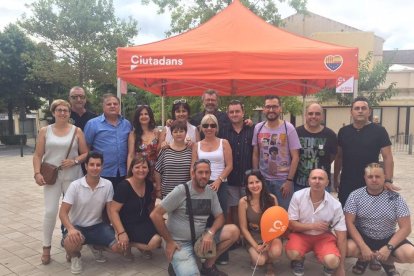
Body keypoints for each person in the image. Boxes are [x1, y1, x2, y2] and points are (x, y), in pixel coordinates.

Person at [150, 159, 240, 276]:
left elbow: (220, 217)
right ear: (193, 173)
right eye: (200, 172)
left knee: (233, 231)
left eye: (207, 172)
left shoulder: (211, 192)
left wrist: (210, 233)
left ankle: (208, 267)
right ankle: (177, 264)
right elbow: (155, 215)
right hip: (179, 242)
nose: (204, 176)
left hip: (200, 239)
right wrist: (169, 242)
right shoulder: (181, 190)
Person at [33, 99, 88, 265]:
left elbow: (85, 153)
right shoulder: (45, 131)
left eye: (65, 110)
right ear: (53, 112)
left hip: (73, 176)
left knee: (72, 213)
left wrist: (75, 161)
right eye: (59, 110)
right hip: (52, 177)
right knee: (50, 211)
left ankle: (71, 246)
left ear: (69, 113)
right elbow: (37, 155)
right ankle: (46, 247)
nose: (63, 113)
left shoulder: (76, 131)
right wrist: (36, 173)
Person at [344, 163, 414, 276]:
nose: (374, 179)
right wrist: (363, 246)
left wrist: (389, 247)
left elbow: (406, 228)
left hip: (388, 236)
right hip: (364, 235)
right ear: (365, 178)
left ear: (384, 177)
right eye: (370, 176)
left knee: (411, 254)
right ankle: (364, 258)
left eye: (378, 176)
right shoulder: (355, 196)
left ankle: (387, 261)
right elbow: (349, 222)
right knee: (346, 248)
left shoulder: (395, 198)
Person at [59, 151, 121, 274]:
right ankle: (75, 256)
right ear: (86, 166)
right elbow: (62, 213)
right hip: (77, 227)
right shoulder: (75, 186)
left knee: (118, 247)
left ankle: (95, 246)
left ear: (102, 167)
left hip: (97, 226)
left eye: (98, 165)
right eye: (91, 164)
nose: (95, 168)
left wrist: (116, 229)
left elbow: (110, 210)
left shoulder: (107, 185)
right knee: (70, 243)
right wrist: (71, 229)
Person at [334, 96, 397, 207]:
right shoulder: (343, 132)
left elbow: (388, 157)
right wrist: (335, 178)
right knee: (347, 216)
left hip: (371, 181)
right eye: (357, 108)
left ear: (369, 111)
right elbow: (339, 157)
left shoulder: (379, 131)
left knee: (370, 216)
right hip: (347, 182)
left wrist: (388, 180)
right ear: (351, 112)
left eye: (363, 108)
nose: (360, 111)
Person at [286, 169, 347, 276]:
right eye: (314, 178)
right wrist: (313, 226)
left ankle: (327, 263)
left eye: (321, 178)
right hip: (301, 235)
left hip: (323, 237)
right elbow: (291, 224)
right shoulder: (297, 196)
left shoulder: (335, 205)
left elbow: (342, 235)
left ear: (327, 182)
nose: (317, 181)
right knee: (292, 253)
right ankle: (299, 260)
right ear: (309, 181)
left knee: (333, 262)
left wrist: (341, 267)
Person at [192, 114, 233, 265]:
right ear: (201, 128)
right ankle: (203, 249)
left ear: (217, 127)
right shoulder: (196, 145)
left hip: (220, 182)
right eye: (206, 125)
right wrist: (195, 184)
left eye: (212, 125)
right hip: (201, 183)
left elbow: (229, 165)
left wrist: (218, 180)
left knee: (220, 217)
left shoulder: (224, 142)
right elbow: (193, 166)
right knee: (203, 219)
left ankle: (220, 254)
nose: (209, 128)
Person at [252, 95, 301, 210]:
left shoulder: (288, 128)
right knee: (265, 213)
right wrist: (256, 177)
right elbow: (255, 154)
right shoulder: (258, 128)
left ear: (280, 109)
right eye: (268, 107)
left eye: (274, 106)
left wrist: (289, 181)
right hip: (263, 180)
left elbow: (295, 157)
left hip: (283, 181)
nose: (271, 110)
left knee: (284, 214)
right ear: (264, 109)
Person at [110, 156, 162, 260]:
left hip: (142, 220)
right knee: (155, 241)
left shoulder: (148, 184)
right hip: (126, 224)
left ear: (148, 169)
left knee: (163, 229)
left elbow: (149, 205)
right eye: (137, 167)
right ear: (132, 169)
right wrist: (121, 232)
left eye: (144, 167)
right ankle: (125, 243)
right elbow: (113, 210)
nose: (141, 170)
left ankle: (130, 244)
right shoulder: (123, 186)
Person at [238, 170, 282, 276]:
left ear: (262, 182)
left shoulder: (272, 199)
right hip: (254, 236)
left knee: (275, 252)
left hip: (271, 235)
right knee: (260, 261)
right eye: (251, 183)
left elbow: (277, 225)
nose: (254, 185)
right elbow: (243, 228)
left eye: (257, 182)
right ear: (247, 186)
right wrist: (255, 246)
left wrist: (269, 243)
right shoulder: (243, 202)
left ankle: (270, 263)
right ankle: (261, 258)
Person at [84, 93, 132, 188]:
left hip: (123, 173)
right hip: (101, 172)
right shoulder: (92, 124)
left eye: (115, 104)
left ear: (119, 106)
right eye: (109, 104)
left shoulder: (127, 124)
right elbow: (86, 148)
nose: (112, 106)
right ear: (103, 107)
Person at [220, 100, 254, 227]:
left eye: (237, 111)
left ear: (243, 112)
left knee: (248, 208)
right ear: (228, 114)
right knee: (232, 209)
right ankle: (235, 236)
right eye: (231, 112)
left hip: (248, 178)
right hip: (231, 178)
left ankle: (246, 235)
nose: (234, 114)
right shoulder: (222, 131)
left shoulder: (252, 129)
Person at [294, 103, 337, 191]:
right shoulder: (296, 133)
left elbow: (332, 157)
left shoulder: (330, 134)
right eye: (310, 113)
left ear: (322, 116)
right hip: (299, 184)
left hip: (322, 185)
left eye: (317, 114)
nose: (313, 116)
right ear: (305, 115)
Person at [155, 120, 192, 198]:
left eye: (181, 131)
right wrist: (158, 189)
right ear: (171, 134)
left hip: (185, 194)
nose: (178, 134)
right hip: (167, 194)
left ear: (186, 133)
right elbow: (157, 170)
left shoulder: (190, 151)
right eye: (175, 132)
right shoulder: (165, 149)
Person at [127, 105, 159, 182]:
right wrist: (128, 175)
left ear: (150, 116)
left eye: (146, 114)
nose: (143, 116)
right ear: (137, 117)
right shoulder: (133, 134)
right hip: (140, 171)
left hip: (155, 171)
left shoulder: (157, 133)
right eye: (141, 114)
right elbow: (131, 155)